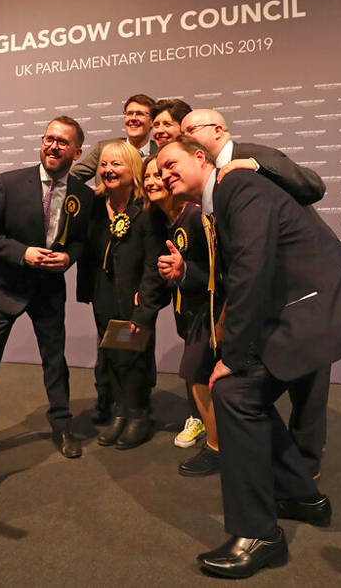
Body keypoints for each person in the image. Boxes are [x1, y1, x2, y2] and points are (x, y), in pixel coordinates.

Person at [157, 136, 341, 579]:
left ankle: (259, 533)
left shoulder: (236, 186)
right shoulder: (221, 199)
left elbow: (251, 268)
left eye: (171, 162)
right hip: (305, 307)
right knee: (242, 396)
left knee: (234, 390)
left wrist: (235, 356)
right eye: (159, 171)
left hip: (317, 307)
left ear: (200, 157)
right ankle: (301, 496)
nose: (164, 173)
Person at [182, 108, 329, 478]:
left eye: (189, 130)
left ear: (217, 131)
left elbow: (314, 186)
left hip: (303, 287)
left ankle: (307, 470)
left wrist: (258, 168)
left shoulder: (255, 155)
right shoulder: (205, 186)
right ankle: (280, 466)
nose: (181, 138)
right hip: (262, 289)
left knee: (309, 384)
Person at [0, 117, 93, 472]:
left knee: (55, 363)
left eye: (63, 142)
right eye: (49, 138)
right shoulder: (10, 182)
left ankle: (62, 427)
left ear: (76, 152)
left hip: (47, 291)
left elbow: (79, 240)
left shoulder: (84, 194)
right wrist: (22, 252)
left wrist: (69, 256)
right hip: (3, 288)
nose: (53, 146)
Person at [76, 141, 164, 449]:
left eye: (116, 165)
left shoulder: (147, 210)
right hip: (103, 294)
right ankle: (119, 413)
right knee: (112, 353)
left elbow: (154, 264)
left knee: (134, 357)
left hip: (136, 297)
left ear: (133, 170)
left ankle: (137, 416)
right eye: (103, 165)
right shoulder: (95, 208)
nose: (108, 170)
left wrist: (146, 302)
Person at [141, 154, 220, 475]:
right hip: (189, 310)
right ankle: (210, 432)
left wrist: (185, 270)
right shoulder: (171, 221)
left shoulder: (193, 216)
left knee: (197, 373)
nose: (152, 181)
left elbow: (219, 269)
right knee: (195, 374)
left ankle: (218, 449)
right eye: (146, 176)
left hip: (209, 312)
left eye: (159, 174)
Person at [69, 94, 158, 183]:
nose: (133, 118)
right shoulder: (104, 148)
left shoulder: (160, 152)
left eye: (140, 114)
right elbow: (73, 176)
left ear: (152, 121)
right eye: (129, 113)